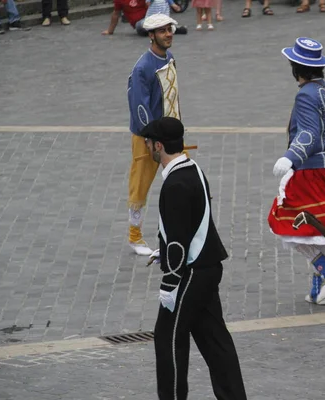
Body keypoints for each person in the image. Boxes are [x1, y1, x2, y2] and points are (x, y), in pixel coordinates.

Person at [141, 117, 248, 400]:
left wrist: (169, 284)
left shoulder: (174, 184)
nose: (148, 147)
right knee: (215, 341)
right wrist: (161, 250)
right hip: (207, 267)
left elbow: (177, 245)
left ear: (159, 145)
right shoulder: (194, 170)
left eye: (149, 143)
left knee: (168, 338)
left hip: (190, 274)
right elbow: (190, 223)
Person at [268, 37, 325, 306]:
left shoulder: (305, 94)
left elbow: (309, 133)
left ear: (296, 68)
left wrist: (291, 157)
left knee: (287, 222)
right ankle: (318, 289)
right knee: (321, 227)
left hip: (313, 170)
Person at [126, 14, 186, 256]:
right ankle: (134, 236)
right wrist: (152, 139)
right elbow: (139, 107)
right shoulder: (142, 68)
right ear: (151, 35)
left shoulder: (169, 57)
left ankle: (174, 233)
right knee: (140, 186)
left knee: (178, 182)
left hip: (168, 134)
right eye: (162, 31)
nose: (168, 34)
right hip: (149, 139)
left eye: (169, 29)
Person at [102, 0, 187, 36]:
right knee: (142, 24)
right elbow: (116, 14)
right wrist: (110, 31)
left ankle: (165, 29)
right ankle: (168, 28)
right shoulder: (119, 0)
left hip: (153, 17)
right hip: (141, 24)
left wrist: (172, 4)